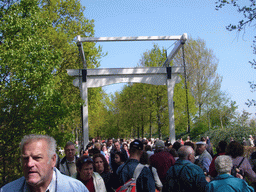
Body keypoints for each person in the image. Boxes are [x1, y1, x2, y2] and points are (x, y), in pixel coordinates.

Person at [0, 134, 88, 192]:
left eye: (37, 158)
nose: (30, 164)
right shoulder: (7, 190)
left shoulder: (76, 189)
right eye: (25, 158)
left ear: (53, 160)